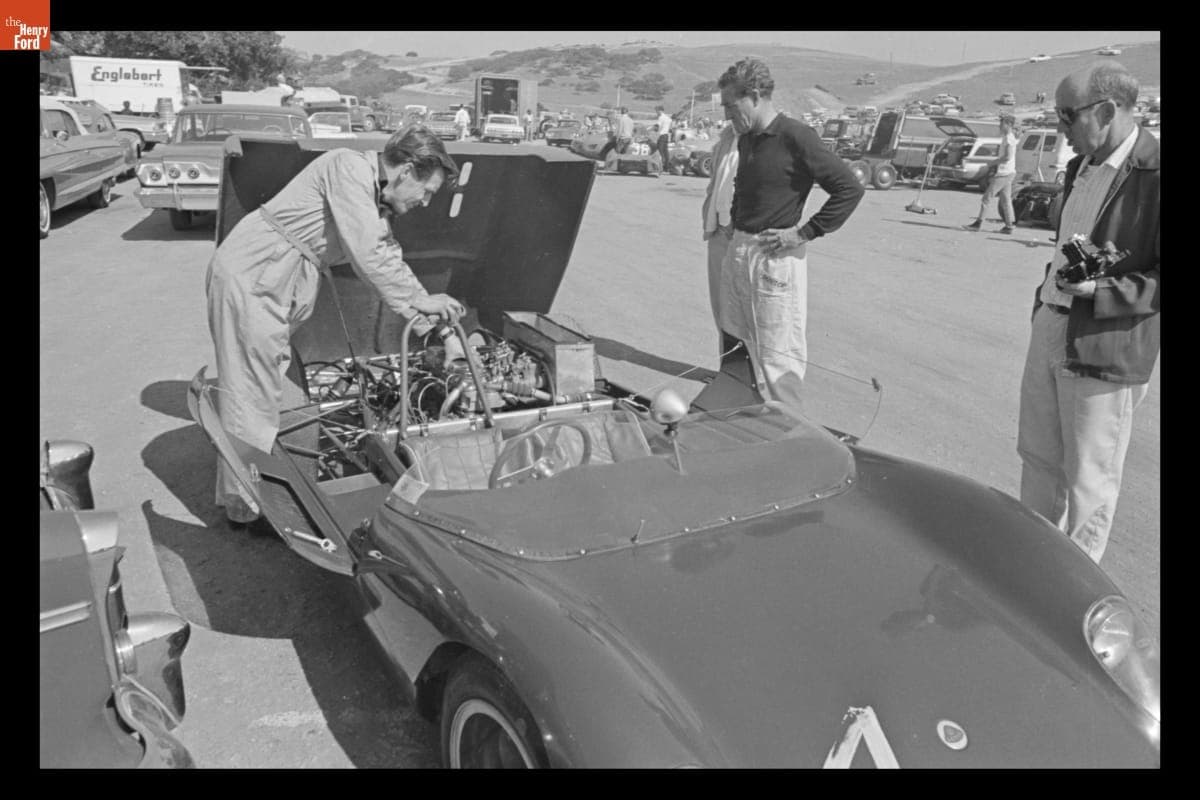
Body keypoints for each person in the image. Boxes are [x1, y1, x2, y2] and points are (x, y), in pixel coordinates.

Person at [205, 126, 466, 524]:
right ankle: (246, 508)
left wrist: (444, 333)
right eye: (426, 191)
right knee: (251, 393)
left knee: (264, 386)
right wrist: (419, 301)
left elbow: (388, 259)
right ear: (406, 171)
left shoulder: (371, 196)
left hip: (275, 279)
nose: (425, 202)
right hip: (255, 274)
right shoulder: (347, 168)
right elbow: (369, 254)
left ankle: (255, 487)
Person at [1016, 62, 1159, 564]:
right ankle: (1032, 567)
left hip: (1105, 343)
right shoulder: (1081, 166)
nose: (1060, 128)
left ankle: (1072, 595)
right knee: (1038, 461)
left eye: (1065, 116)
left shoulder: (1155, 172)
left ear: (1105, 110)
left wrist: (1101, 289)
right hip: (1052, 325)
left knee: (1088, 481)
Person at [717, 57, 864, 416]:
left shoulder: (796, 136)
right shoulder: (748, 138)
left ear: (753, 96)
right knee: (736, 344)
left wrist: (803, 233)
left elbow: (849, 189)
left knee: (777, 353)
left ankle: (786, 432)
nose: (726, 115)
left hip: (774, 259)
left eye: (730, 106)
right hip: (740, 249)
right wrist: (734, 222)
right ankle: (742, 421)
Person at [700, 122, 739, 360]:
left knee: (742, 312)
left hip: (744, 235)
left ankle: (749, 376)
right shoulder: (726, 140)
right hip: (720, 230)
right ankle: (728, 370)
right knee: (721, 308)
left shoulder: (769, 143)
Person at [964, 113, 1018, 233]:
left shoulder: (1009, 138)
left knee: (986, 198)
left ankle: (978, 223)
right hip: (1008, 172)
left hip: (1004, 173)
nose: (999, 125)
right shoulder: (1009, 137)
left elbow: (1007, 157)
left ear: (1008, 124)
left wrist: (990, 164)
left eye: (1002, 123)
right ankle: (1009, 226)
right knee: (1005, 200)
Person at [654, 105, 673, 169]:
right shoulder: (668, 118)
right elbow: (670, 128)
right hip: (666, 136)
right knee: (666, 152)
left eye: (656, 111)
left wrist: (650, 129)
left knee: (659, 151)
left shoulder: (660, 117)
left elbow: (657, 127)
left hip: (661, 136)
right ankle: (666, 167)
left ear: (660, 110)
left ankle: (661, 165)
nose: (656, 112)